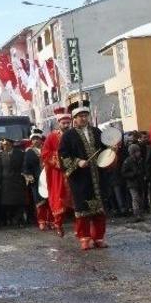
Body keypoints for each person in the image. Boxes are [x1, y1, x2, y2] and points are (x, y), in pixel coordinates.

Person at [59, 106, 110, 250]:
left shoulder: (96, 132)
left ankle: (99, 237)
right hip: (80, 177)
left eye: (85, 115)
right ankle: (85, 238)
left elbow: (105, 149)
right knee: (83, 210)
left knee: (100, 209)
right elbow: (63, 155)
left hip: (98, 176)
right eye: (80, 116)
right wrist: (77, 162)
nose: (83, 118)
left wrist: (112, 150)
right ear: (74, 119)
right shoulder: (68, 136)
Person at [42, 109, 73, 237]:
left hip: (73, 171)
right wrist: (58, 159)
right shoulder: (52, 136)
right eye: (64, 123)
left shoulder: (73, 134)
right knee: (58, 199)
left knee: (76, 199)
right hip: (58, 173)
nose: (66, 125)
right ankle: (58, 224)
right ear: (59, 122)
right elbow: (45, 153)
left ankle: (81, 228)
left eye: (68, 123)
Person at [0, 138, 27, 227]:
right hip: (6, 182)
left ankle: (19, 220)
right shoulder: (1, 155)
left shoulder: (20, 153)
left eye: (6, 145)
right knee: (8, 203)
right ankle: (10, 219)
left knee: (19, 202)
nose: (4, 146)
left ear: (10, 145)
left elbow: (23, 166)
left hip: (18, 180)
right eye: (3, 145)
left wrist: (23, 175)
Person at [23, 129, 50, 230]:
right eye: (33, 139)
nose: (35, 141)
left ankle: (51, 220)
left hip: (48, 178)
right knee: (39, 201)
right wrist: (29, 176)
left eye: (37, 139)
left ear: (41, 139)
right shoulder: (29, 152)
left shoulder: (46, 149)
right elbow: (25, 166)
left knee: (49, 201)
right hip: (37, 180)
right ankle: (41, 221)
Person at [121, 143, 147, 222]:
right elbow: (123, 173)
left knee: (141, 198)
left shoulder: (140, 160)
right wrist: (133, 174)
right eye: (137, 151)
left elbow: (143, 169)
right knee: (135, 198)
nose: (139, 153)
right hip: (132, 183)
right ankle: (136, 214)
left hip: (140, 182)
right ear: (133, 152)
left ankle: (141, 213)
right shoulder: (128, 161)